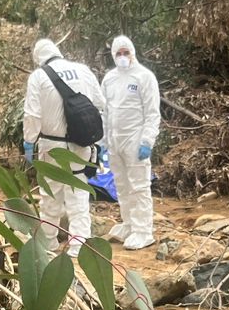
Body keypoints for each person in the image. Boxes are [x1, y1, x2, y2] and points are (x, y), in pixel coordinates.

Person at [23, 38, 105, 255]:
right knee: (78, 191)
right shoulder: (83, 70)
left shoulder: (39, 77)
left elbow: (32, 115)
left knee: (50, 192)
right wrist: (99, 141)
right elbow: (100, 105)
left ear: (38, 57)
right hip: (82, 143)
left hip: (52, 145)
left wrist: (29, 142)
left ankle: (48, 242)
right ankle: (79, 244)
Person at [101, 35, 162, 250]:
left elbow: (153, 113)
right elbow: (105, 112)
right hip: (115, 141)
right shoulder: (109, 79)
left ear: (133, 52)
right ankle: (128, 224)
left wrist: (147, 140)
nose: (123, 56)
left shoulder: (144, 77)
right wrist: (103, 141)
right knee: (121, 185)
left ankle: (143, 231)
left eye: (126, 52)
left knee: (139, 186)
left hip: (135, 140)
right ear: (113, 55)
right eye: (118, 53)